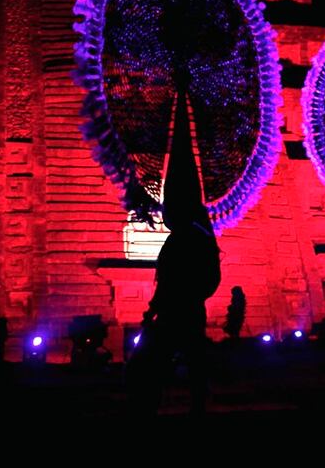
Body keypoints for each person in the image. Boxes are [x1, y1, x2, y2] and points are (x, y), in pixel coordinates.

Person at [128, 88, 221, 414]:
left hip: (180, 311)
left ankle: (179, 406)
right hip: (180, 310)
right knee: (176, 362)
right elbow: (167, 278)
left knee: (165, 362)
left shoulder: (191, 238)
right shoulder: (187, 237)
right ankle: (178, 404)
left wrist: (176, 300)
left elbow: (192, 277)